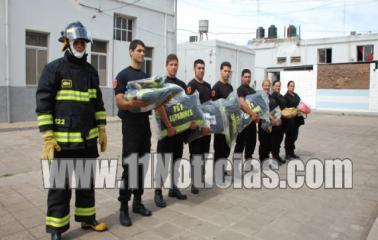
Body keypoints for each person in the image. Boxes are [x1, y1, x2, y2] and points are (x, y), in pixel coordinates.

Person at [36, 21, 107, 240]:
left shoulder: (91, 71)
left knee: (87, 184)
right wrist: (47, 135)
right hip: (62, 143)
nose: (80, 45)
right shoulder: (54, 69)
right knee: (60, 188)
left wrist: (102, 128)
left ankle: (87, 219)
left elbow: (97, 102)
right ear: (67, 42)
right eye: (77, 42)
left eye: (83, 42)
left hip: (87, 141)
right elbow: (43, 102)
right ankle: (56, 230)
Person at [114, 39, 152, 227]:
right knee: (130, 166)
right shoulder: (123, 76)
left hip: (145, 124)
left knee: (142, 165)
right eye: (139, 50)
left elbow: (151, 100)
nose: (142, 54)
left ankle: (138, 202)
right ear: (131, 52)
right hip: (130, 125)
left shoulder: (146, 77)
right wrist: (131, 104)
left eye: (143, 51)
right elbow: (119, 101)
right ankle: (123, 207)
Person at [154, 54, 188, 208]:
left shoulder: (181, 84)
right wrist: (168, 126)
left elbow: (186, 106)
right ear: (166, 66)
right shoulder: (161, 84)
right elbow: (158, 106)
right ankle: (158, 192)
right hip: (166, 131)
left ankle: (174, 188)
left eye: (176, 65)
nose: (174, 67)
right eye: (171, 64)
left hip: (179, 131)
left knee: (176, 160)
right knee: (163, 161)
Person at [186, 59, 212, 194]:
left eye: (203, 68)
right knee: (195, 154)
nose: (201, 70)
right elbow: (188, 106)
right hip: (195, 128)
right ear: (194, 69)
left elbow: (210, 106)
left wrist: (210, 124)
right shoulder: (190, 85)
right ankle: (194, 182)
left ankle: (200, 177)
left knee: (204, 153)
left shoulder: (208, 86)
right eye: (199, 68)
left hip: (207, 126)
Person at [233, 69, 259, 160]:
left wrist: (257, 116)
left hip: (251, 122)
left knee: (252, 143)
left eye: (249, 77)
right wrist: (252, 114)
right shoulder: (240, 89)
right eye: (246, 77)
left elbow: (256, 105)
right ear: (242, 77)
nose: (248, 79)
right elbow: (242, 103)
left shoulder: (252, 90)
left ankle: (248, 162)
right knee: (240, 144)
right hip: (243, 122)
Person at [212, 62, 234, 167]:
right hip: (220, 124)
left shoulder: (230, 87)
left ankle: (223, 168)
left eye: (229, 71)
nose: (227, 73)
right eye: (225, 71)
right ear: (221, 71)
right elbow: (213, 106)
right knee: (219, 148)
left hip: (229, 123)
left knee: (227, 148)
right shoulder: (216, 87)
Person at [284, 80, 304, 160]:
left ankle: (292, 152)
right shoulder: (285, 97)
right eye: (291, 86)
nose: (292, 87)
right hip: (289, 120)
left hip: (297, 119)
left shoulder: (296, 95)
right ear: (288, 87)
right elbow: (286, 109)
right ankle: (287, 154)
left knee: (295, 136)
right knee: (289, 136)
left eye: (293, 86)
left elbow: (300, 104)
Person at [270, 80, 287, 164]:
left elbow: (284, 107)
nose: (278, 87)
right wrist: (281, 113)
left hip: (282, 121)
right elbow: (273, 109)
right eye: (276, 86)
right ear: (273, 87)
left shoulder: (281, 96)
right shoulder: (272, 96)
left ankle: (277, 155)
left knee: (280, 139)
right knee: (275, 140)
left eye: (279, 86)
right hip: (275, 122)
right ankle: (274, 157)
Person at [258, 79, 274, 162]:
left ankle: (267, 159)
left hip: (270, 123)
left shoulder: (271, 97)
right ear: (262, 86)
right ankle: (262, 159)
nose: (267, 87)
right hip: (263, 122)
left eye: (268, 85)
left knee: (269, 142)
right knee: (263, 142)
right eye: (265, 85)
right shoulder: (259, 97)